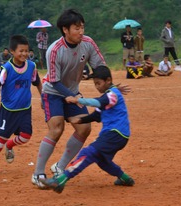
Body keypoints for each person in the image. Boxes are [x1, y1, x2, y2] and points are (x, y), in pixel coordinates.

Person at [32, 9, 129, 189]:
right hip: (53, 92)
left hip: (73, 92)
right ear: (65, 30)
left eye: (82, 27)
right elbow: (53, 80)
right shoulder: (54, 50)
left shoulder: (88, 43)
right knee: (56, 128)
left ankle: (60, 167)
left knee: (84, 128)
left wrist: (111, 87)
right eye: (77, 28)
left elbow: (100, 67)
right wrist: (70, 96)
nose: (81, 32)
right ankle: (38, 173)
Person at [40, 65, 135, 193]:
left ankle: (60, 180)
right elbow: (96, 115)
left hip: (116, 133)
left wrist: (78, 100)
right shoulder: (108, 96)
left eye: (98, 83)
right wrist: (79, 120)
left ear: (108, 80)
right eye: (95, 84)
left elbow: (98, 103)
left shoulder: (112, 94)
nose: (97, 86)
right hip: (116, 135)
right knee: (102, 160)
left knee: (88, 153)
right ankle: (125, 178)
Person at [0, 34, 42, 176]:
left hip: (25, 109)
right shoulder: (7, 69)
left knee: (26, 136)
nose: (24, 54)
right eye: (20, 51)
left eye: (26, 51)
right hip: (8, 109)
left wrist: (43, 98)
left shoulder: (31, 66)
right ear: (12, 51)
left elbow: (37, 82)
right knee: (2, 137)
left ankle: (10, 145)